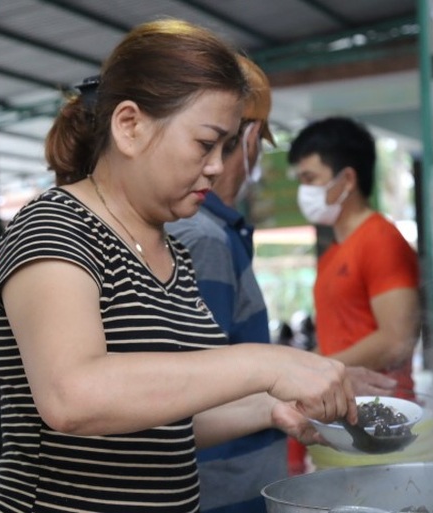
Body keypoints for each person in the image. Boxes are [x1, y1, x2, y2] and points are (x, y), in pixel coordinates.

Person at [0, 19, 371, 513]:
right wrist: (268, 363)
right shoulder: (54, 226)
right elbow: (72, 396)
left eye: (227, 146)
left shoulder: (171, 252)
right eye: (205, 143)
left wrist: (273, 408)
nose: (216, 165)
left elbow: (163, 423)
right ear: (130, 126)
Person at [164, 54, 287, 512]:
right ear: (250, 137)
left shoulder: (209, 232)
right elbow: (195, 386)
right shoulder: (201, 237)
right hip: (222, 493)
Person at [288, 117, 423, 469]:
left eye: (310, 179)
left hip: (381, 422)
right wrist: (295, 370)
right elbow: (334, 340)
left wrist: (317, 372)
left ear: (347, 179)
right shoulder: (333, 253)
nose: (303, 191)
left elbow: (397, 341)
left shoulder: (381, 240)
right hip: (340, 418)